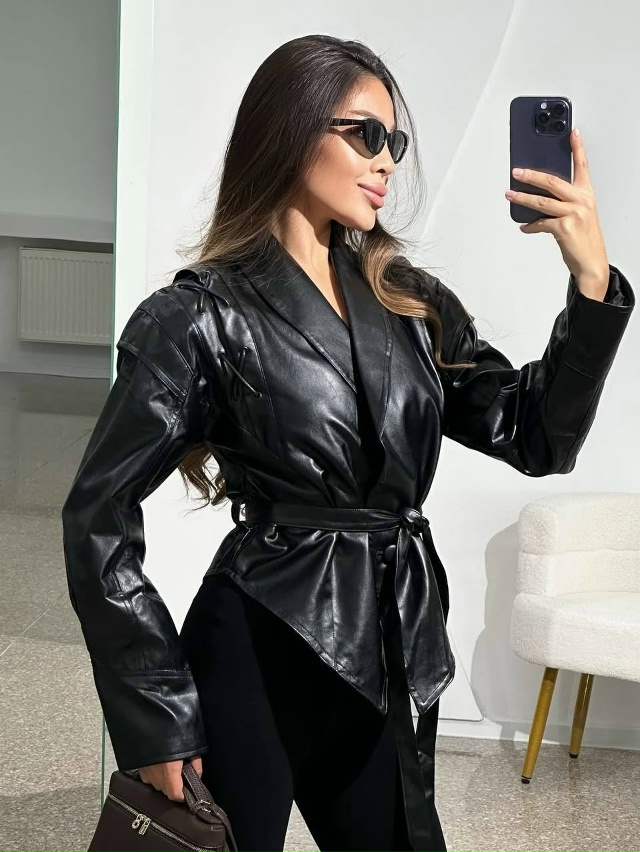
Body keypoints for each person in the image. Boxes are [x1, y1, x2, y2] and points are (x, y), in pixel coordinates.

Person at [61, 34, 635, 852]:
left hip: (390, 645)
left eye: (392, 140)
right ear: (292, 130)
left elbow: (536, 434)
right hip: (257, 646)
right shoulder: (197, 317)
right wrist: (155, 711)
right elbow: (96, 515)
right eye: (365, 134)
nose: (386, 161)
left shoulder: (409, 301)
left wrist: (591, 282)